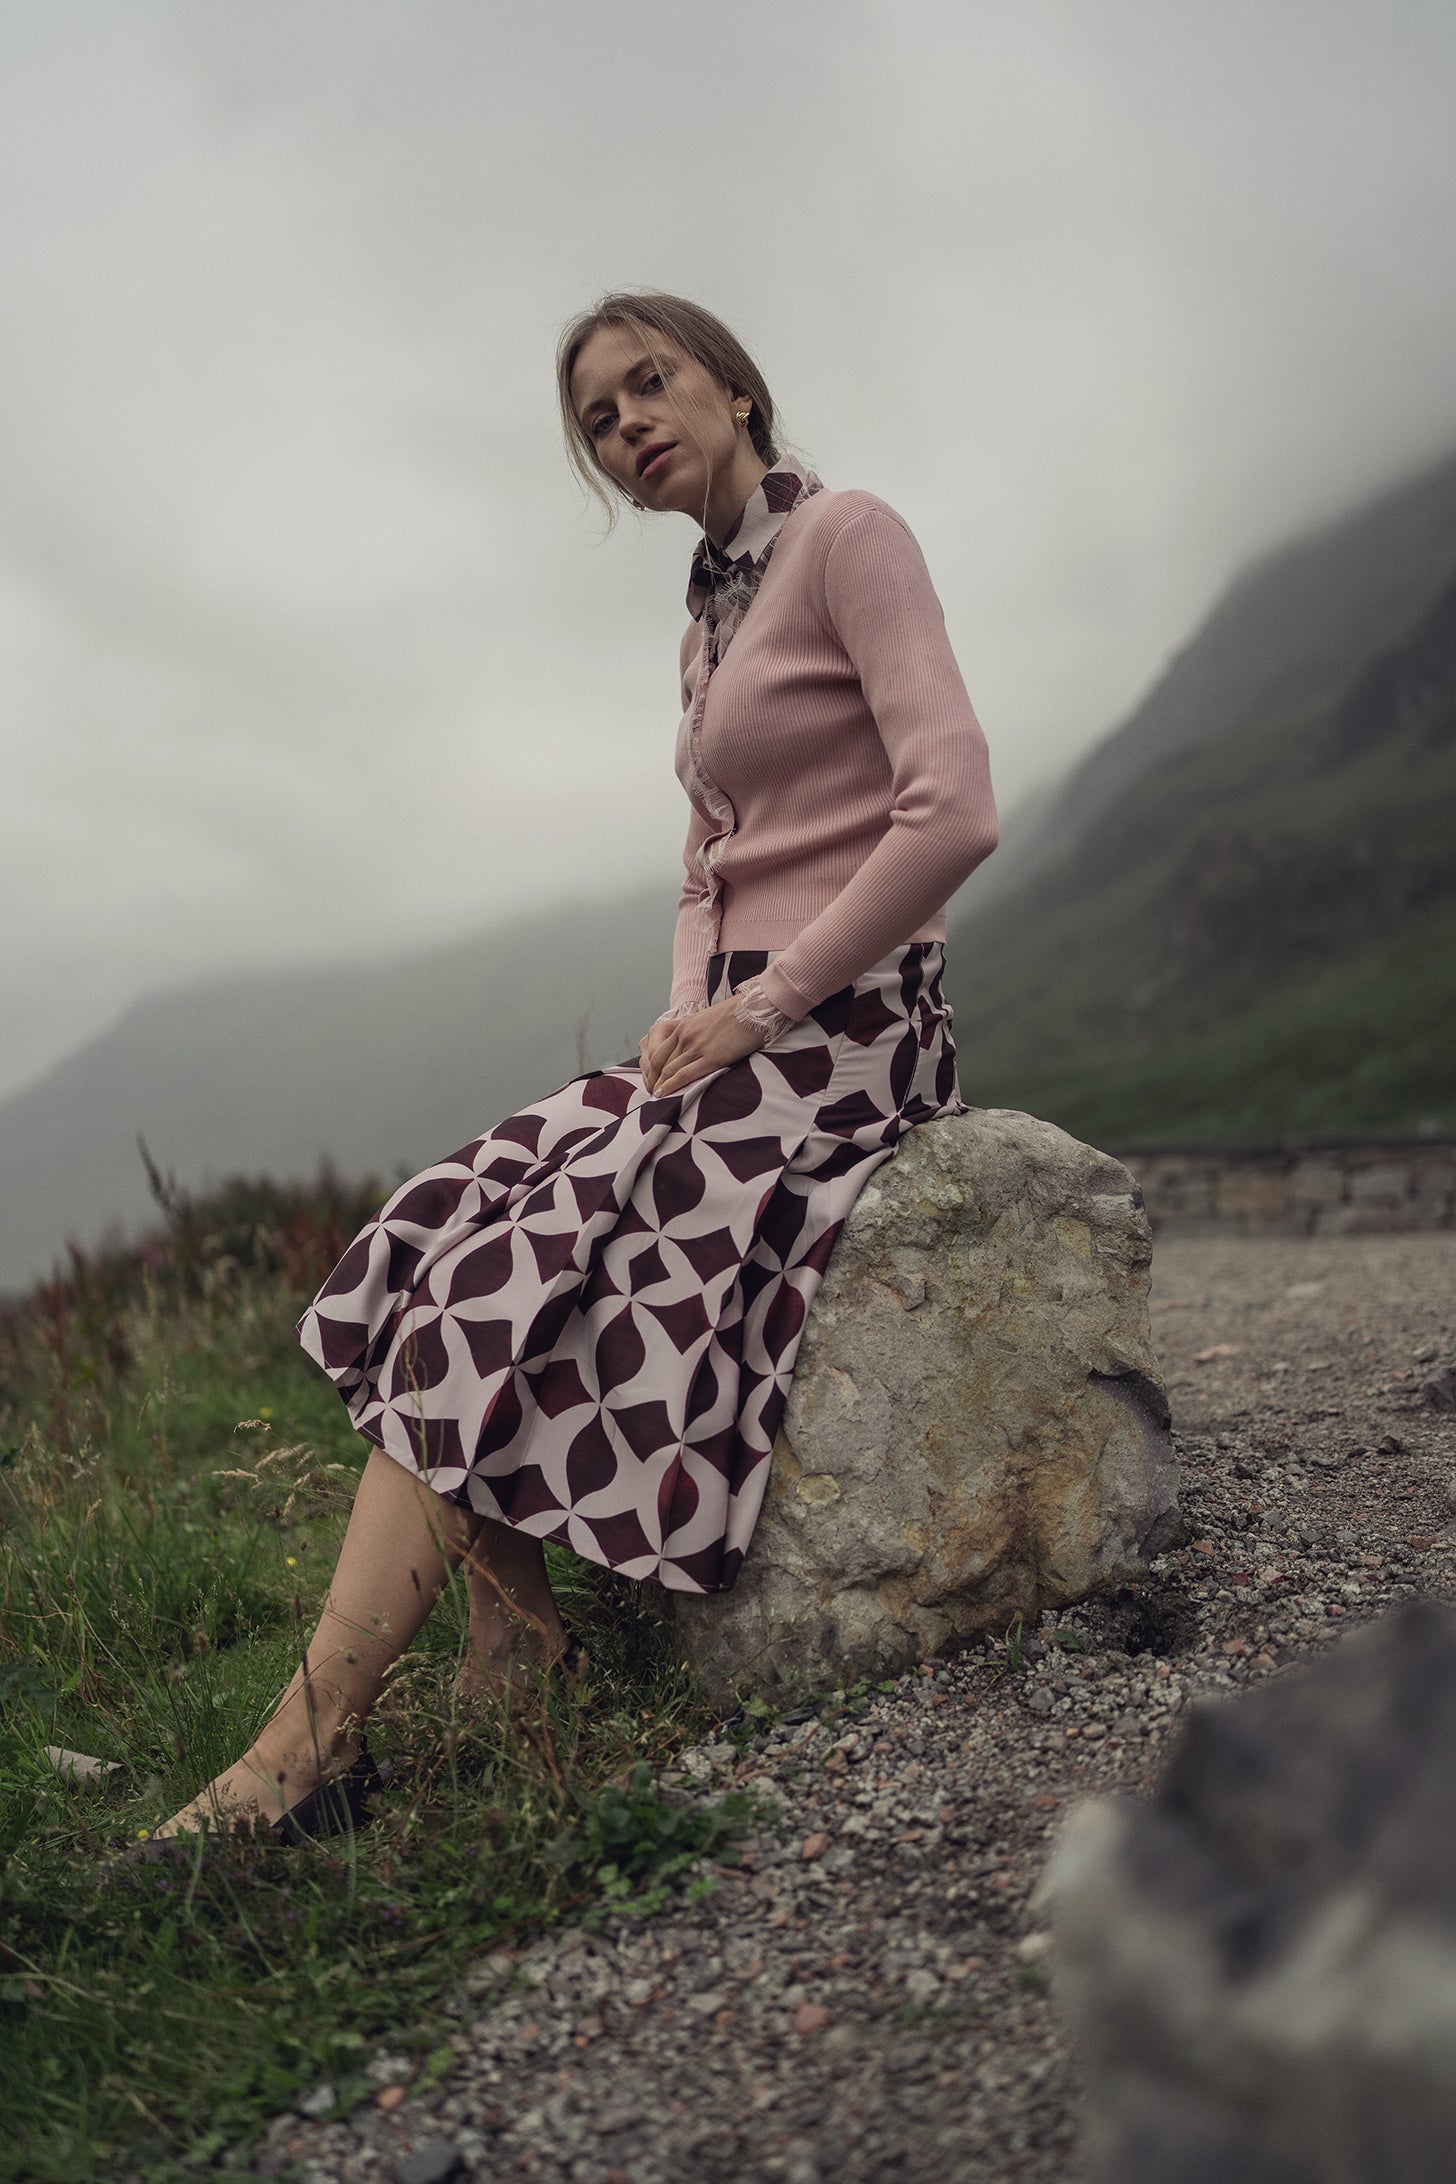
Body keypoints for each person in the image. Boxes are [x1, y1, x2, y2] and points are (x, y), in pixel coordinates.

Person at [152, 291, 997, 1841]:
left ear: (735, 386)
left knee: (511, 1275)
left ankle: (301, 1752)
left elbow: (952, 812)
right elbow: (707, 861)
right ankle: (512, 1636)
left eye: (650, 384)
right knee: (434, 1230)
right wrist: (691, 1010)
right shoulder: (708, 609)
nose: (628, 429)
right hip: (733, 1033)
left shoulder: (850, 537)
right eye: (599, 422)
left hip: (857, 1034)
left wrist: (764, 1006)